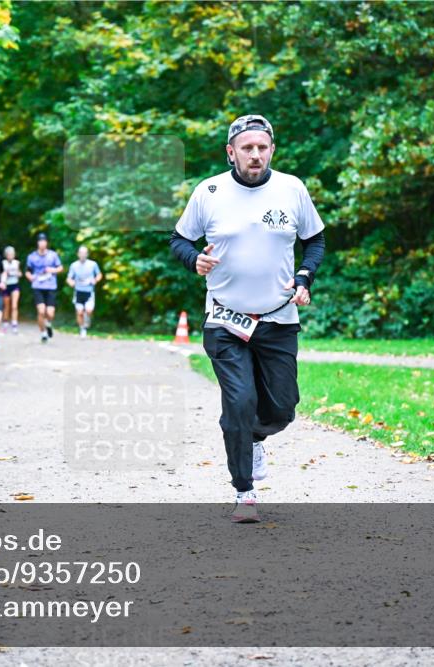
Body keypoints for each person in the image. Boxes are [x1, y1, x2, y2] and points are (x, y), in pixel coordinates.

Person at [170, 114, 326, 523]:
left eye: (262, 147)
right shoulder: (209, 192)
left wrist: (304, 276)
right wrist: (195, 259)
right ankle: (244, 491)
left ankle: (255, 437)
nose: (255, 155)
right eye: (246, 148)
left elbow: (314, 240)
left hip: (278, 317)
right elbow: (179, 239)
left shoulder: (292, 189)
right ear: (231, 152)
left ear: (271, 149)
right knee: (239, 403)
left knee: (281, 409)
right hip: (225, 318)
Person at [25, 232, 63, 343]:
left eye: (44, 241)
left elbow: (60, 268)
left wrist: (53, 270)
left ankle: (48, 323)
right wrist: (30, 277)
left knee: (50, 312)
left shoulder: (53, 255)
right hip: (38, 286)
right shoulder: (32, 257)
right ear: (37, 243)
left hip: (50, 286)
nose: (42, 244)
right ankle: (43, 333)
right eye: (40, 241)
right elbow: (27, 271)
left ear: (46, 243)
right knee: (41, 311)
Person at [66, 246, 102, 338]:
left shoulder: (93, 264)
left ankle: (88, 319)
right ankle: (82, 329)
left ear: (87, 254)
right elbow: (69, 278)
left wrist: (95, 280)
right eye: (81, 253)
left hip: (89, 292)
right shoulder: (74, 265)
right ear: (78, 254)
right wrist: (71, 283)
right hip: (78, 292)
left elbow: (99, 274)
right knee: (79, 312)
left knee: (89, 310)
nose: (82, 255)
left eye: (84, 253)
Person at [0, 245, 21, 333]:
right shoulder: (3, 263)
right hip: (6, 285)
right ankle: (5, 324)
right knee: (6, 306)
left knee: (14, 305)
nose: (10, 256)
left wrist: (17, 273)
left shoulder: (17, 262)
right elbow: (0, 274)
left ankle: (14, 324)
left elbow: (20, 274)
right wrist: (5, 274)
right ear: (6, 255)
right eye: (8, 254)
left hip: (15, 285)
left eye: (12, 254)